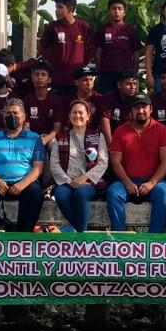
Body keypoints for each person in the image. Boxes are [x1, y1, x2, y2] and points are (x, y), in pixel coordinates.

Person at [107, 94, 166, 232]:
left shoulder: (162, 130)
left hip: (153, 181)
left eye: (144, 107)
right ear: (131, 111)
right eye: (137, 107)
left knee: (163, 193)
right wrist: (127, 182)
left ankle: (155, 241)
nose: (141, 111)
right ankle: (120, 240)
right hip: (127, 181)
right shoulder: (120, 131)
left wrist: (151, 183)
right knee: (113, 192)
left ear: (151, 109)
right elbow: (115, 161)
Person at [0, 99, 46, 231]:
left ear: (24, 117)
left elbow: (38, 167)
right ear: (3, 117)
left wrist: (22, 184)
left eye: (15, 113)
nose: (11, 116)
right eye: (8, 113)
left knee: (35, 193)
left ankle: (22, 233)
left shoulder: (35, 138)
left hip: (24, 183)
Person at [49, 99, 109, 232]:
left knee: (81, 193)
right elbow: (54, 164)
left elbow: (103, 162)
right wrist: (70, 181)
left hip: (89, 183)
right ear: (69, 116)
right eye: (74, 113)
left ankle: (80, 235)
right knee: (61, 195)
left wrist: (83, 178)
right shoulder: (60, 138)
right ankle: (82, 233)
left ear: (88, 116)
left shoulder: (97, 136)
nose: (77, 116)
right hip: (67, 182)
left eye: (81, 113)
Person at [39, 0, 92, 98]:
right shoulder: (52, 27)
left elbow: (91, 49)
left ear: (70, 9)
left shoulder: (84, 27)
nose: (56, 10)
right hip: (58, 79)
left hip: (77, 80)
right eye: (56, 7)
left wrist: (81, 64)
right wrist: (53, 61)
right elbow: (42, 47)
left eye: (60, 7)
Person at [95, 0, 140, 94]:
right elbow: (98, 53)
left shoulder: (130, 30)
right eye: (113, 8)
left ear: (124, 12)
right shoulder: (103, 29)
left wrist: (135, 73)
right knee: (106, 100)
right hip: (107, 73)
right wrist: (99, 72)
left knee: (126, 101)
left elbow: (136, 52)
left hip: (126, 73)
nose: (117, 11)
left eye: (120, 9)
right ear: (109, 11)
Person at [24, 60, 63, 148]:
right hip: (32, 136)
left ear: (49, 79)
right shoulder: (27, 99)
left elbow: (57, 128)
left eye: (43, 74)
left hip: (50, 136)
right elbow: (26, 126)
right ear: (32, 77)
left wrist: (46, 139)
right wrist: (35, 138)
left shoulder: (56, 100)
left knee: (54, 144)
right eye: (36, 74)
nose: (39, 77)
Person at [99, 69, 140, 142]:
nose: (132, 87)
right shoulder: (108, 98)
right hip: (113, 136)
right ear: (119, 85)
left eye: (134, 83)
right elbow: (105, 119)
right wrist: (110, 143)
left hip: (132, 138)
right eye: (128, 84)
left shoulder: (139, 99)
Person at [72, 65, 107, 131]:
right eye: (85, 80)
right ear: (76, 83)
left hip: (95, 135)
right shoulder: (69, 99)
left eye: (91, 80)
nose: (89, 83)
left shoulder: (100, 99)